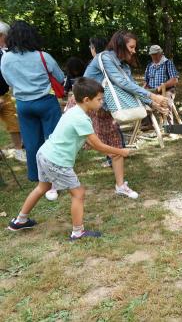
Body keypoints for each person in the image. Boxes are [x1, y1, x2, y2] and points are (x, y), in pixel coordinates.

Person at [8, 78, 131, 239]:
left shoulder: (73, 111)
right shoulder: (81, 118)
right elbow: (98, 145)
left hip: (44, 154)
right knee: (78, 193)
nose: (102, 102)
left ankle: (20, 221)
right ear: (87, 100)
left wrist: (107, 149)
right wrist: (121, 152)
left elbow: (85, 139)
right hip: (56, 161)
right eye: (99, 99)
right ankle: (78, 232)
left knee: (42, 187)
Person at [84, 30, 170, 199]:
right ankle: (52, 183)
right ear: (120, 45)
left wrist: (153, 104)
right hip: (86, 107)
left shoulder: (123, 65)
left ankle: (120, 185)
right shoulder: (105, 58)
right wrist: (153, 96)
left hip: (105, 109)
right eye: (131, 47)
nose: (134, 51)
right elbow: (121, 83)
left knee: (116, 146)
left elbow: (131, 87)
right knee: (70, 144)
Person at [0, 20, 63, 198]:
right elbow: (59, 76)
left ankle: (36, 176)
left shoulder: (5, 58)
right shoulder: (43, 56)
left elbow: (8, 82)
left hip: (23, 104)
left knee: (32, 142)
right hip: (46, 102)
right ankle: (54, 178)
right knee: (53, 140)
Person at [0, 20, 25, 162]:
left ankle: (18, 151)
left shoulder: (6, 52)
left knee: (14, 124)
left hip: (5, 95)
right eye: (6, 36)